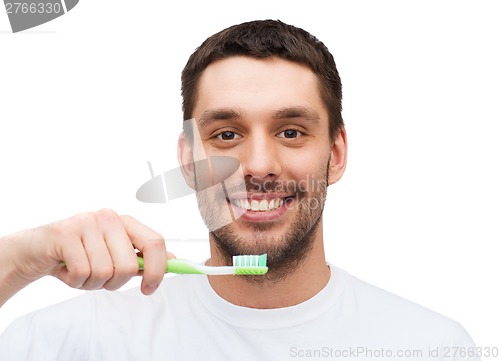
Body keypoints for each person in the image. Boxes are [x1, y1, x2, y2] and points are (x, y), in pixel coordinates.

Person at [0, 20, 479, 360]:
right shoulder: (73, 340)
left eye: (291, 131)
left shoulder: (432, 346)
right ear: (188, 160)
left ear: (335, 154)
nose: (258, 166)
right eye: (226, 134)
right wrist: (19, 260)